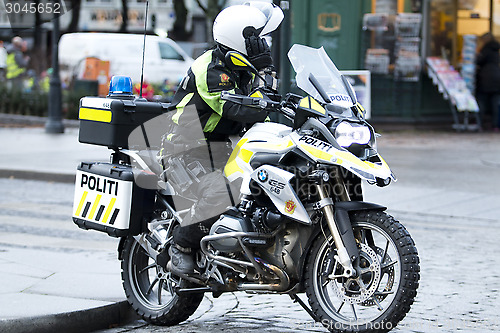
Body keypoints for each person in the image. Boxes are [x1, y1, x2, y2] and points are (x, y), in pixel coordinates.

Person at [164, 2, 283, 275]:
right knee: (222, 193)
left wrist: (265, 76)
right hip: (183, 150)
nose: (263, 45)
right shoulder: (208, 66)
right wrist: (261, 79)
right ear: (239, 39)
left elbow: (265, 106)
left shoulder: (244, 69)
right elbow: (236, 109)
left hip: (221, 148)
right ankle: (180, 247)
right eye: (257, 40)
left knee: (266, 182)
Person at [476, 32, 500, 131]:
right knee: (495, 103)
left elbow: (479, 61)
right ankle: (495, 125)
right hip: (497, 77)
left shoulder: (485, 50)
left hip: (485, 78)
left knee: (482, 101)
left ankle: (480, 123)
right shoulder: (496, 50)